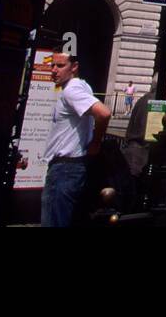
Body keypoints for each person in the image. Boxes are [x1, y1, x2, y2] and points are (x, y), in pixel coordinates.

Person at [40, 53, 111, 227]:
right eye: (52, 65)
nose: (54, 70)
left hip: (65, 168)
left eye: (60, 65)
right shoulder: (81, 86)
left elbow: (104, 113)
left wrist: (96, 142)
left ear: (74, 67)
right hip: (72, 166)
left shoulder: (71, 90)